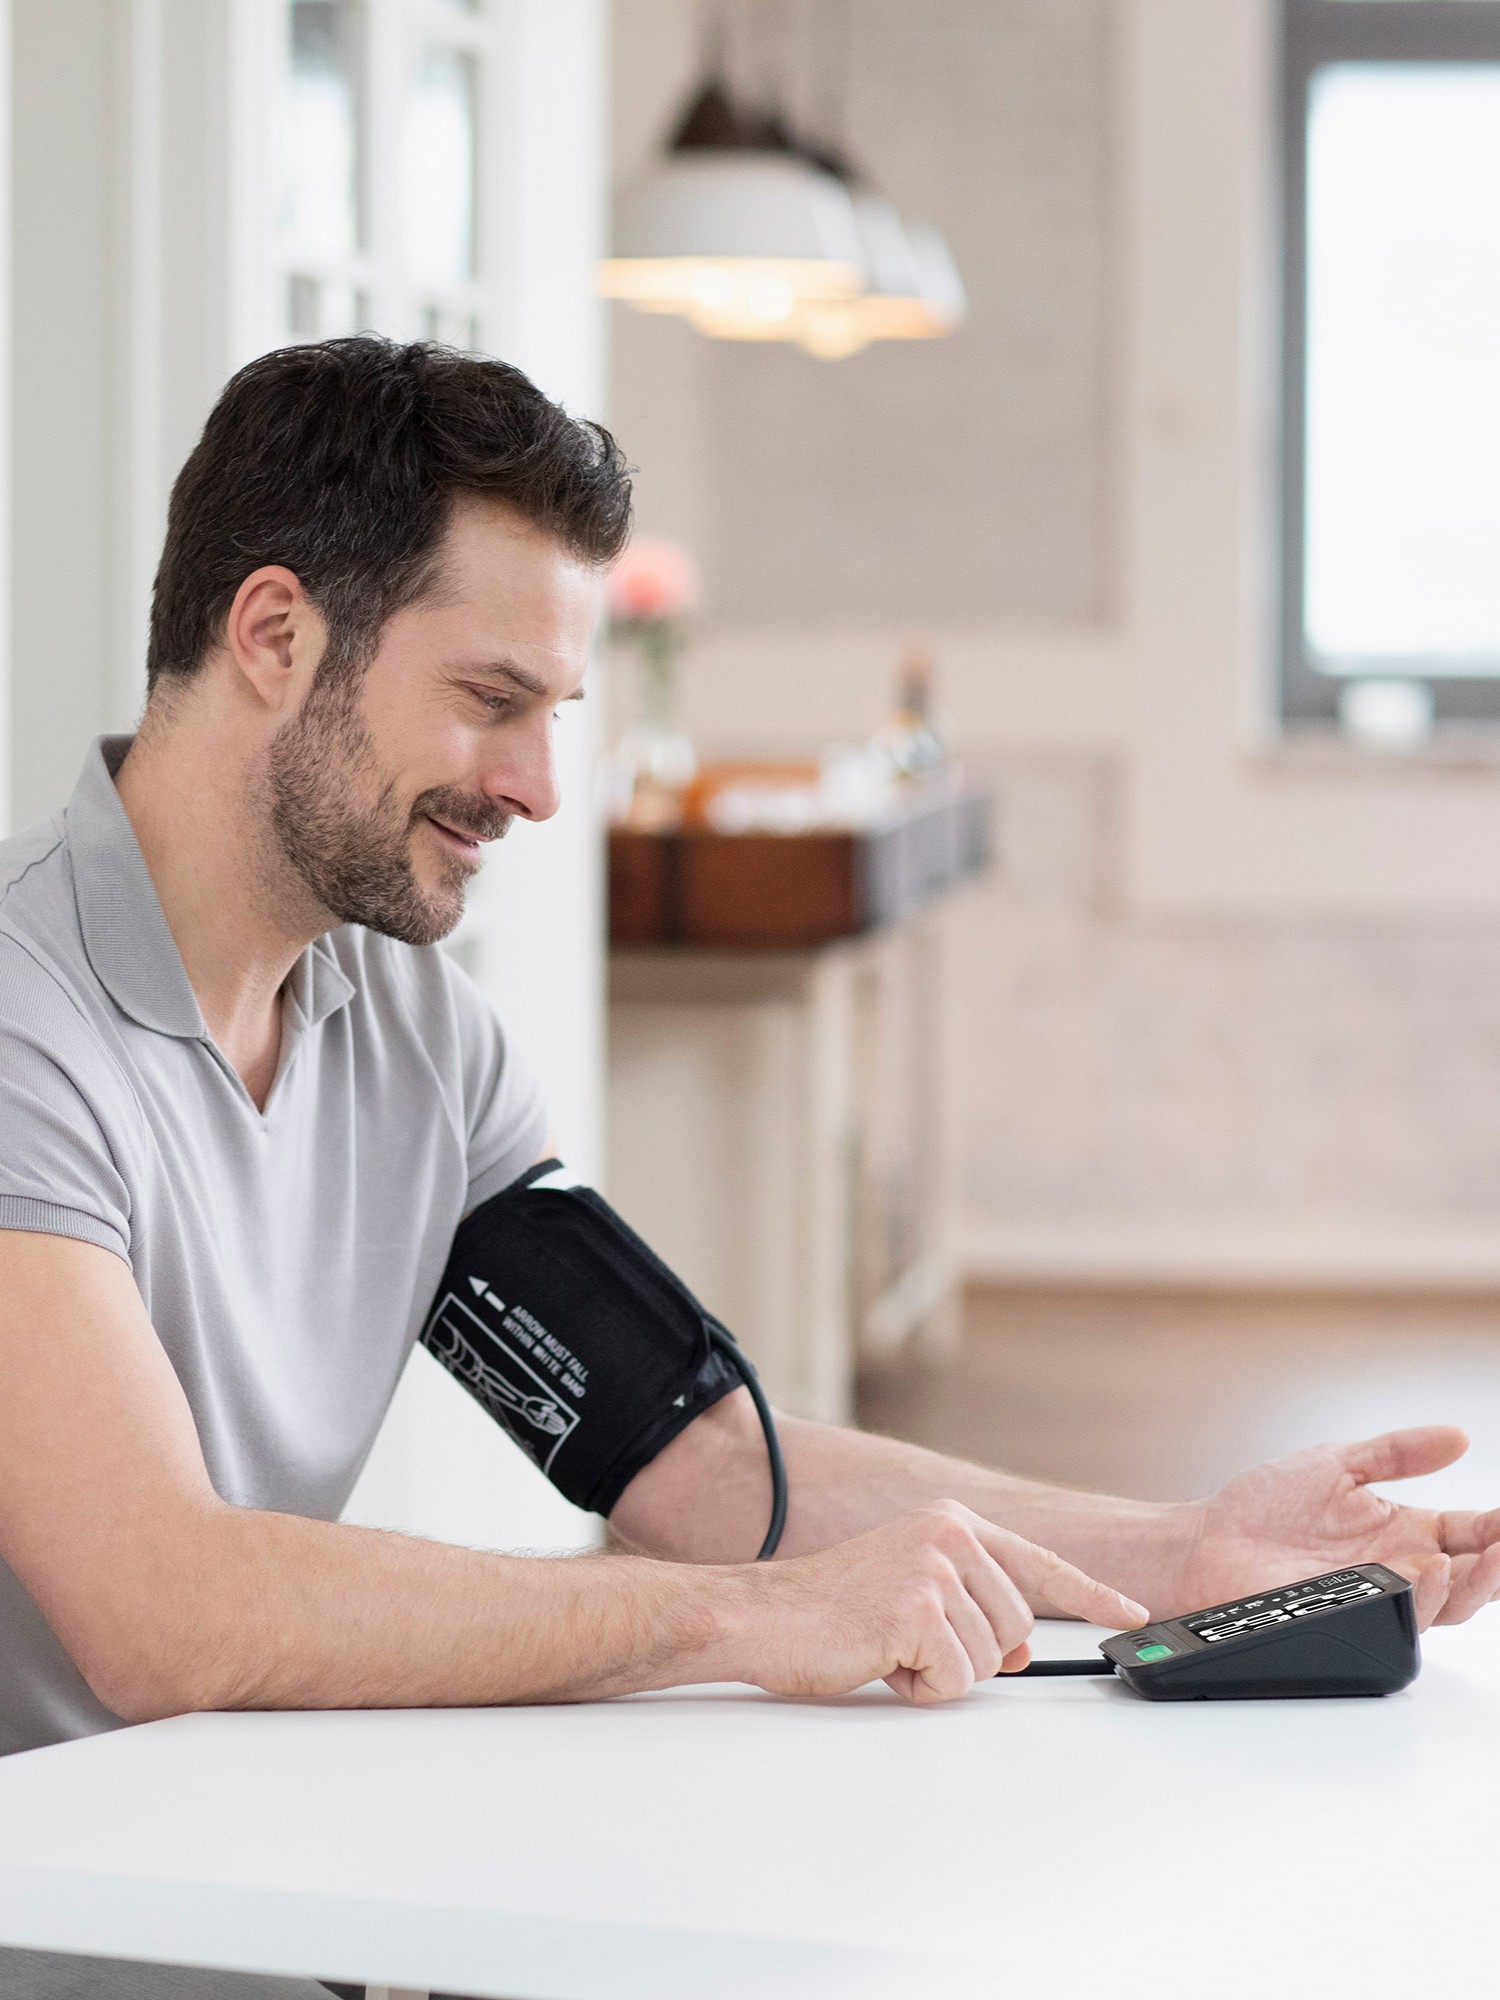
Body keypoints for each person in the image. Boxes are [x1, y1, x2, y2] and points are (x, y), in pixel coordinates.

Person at [1, 339, 1498, 2000]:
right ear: (274, 635)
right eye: (492, 701)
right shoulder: (24, 1026)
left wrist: (1178, 1549)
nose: (540, 789)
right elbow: (166, 1611)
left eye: (556, 716)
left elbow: (698, 1459)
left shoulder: (418, 1038)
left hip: (253, 1900)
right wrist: (737, 1620)